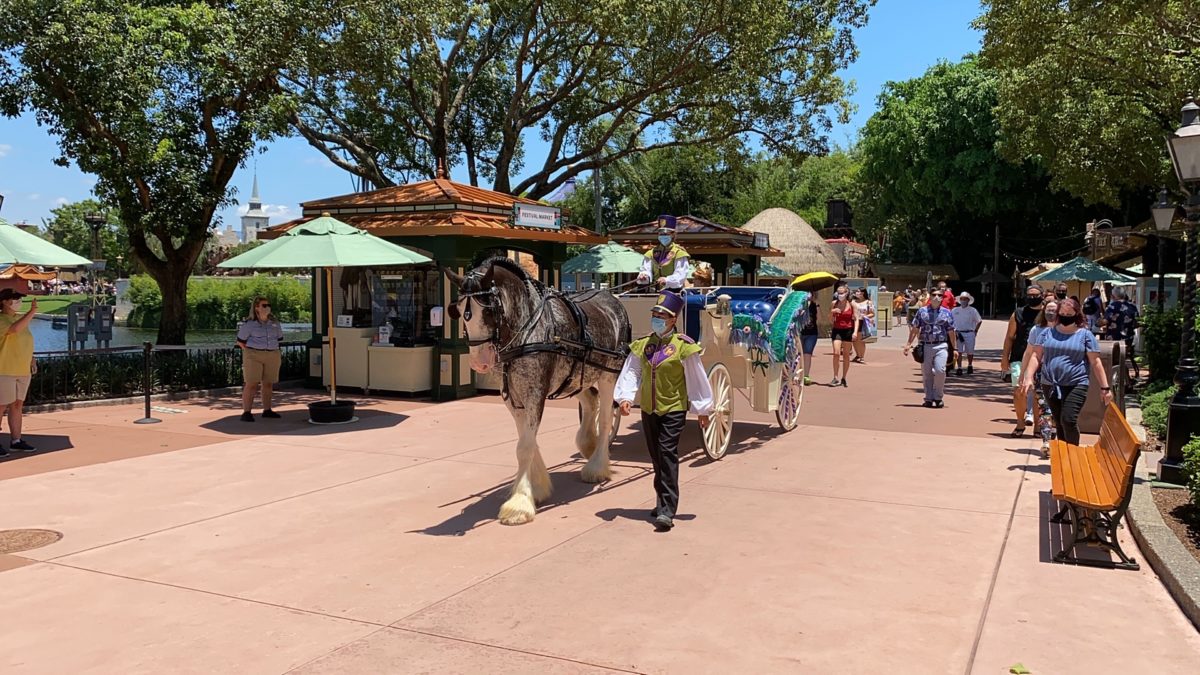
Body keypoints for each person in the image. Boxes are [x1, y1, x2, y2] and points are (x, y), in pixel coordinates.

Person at [615, 292, 713, 531]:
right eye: (655, 314)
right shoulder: (644, 345)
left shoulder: (684, 346)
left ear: (673, 319)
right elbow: (633, 371)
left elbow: (696, 378)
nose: (657, 318)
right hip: (649, 409)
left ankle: (668, 510)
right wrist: (626, 397)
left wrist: (702, 408)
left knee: (667, 453)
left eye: (662, 315)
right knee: (656, 456)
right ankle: (661, 502)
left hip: (673, 408)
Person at [1022, 299, 1113, 445]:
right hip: (1050, 383)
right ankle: (1064, 456)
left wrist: (1105, 388)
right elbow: (1036, 356)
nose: (1065, 316)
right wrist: (1028, 377)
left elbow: (1095, 362)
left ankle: (1073, 454)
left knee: (1068, 419)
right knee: (1058, 421)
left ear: (1076, 315)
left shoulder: (1085, 335)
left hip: (1077, 383)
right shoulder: (1047, 333)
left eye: (1069, 314)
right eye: (1062, 313)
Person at [1001, 284, 1044, 436]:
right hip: (1019, 357)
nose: (1033, 298)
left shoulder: (1048, 313)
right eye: (1029, 295)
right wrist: (1004, 358)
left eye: (1035, 295)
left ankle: (1038, 427)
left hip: (1041, 359)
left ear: (1042, 295)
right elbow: (1009, 337)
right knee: (1019, 391)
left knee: (1038, 394)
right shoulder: (1018, 313)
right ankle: (1020, 422)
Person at [0, 289, 37, 457]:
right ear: (5, 301)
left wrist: (32, 357)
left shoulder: (19, 319)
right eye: (15, 299)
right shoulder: (2, 320)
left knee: (17, 405)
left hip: (22, 370)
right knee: (0, 406)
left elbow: (24, 339)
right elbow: (13, 330)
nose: (19, 301)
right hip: (4, 369)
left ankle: (16, 440)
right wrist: (31, 312)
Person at [903, 295, 956, 408]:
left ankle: (938, 396)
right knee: (927, 373)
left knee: (940, 370)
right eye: (934, 295)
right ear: (930, 298)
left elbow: (951, 331)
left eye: (939, 296)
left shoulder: (947, 312)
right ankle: (928, 398)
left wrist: (955, 348)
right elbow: (915, 328)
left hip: (941, 345)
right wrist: (908, 344)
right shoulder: (922, 311)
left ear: (942, 299)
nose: (936, 297)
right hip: (926, 345)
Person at [236, 296, 284, 422]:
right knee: (251, 383)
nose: (267, 308)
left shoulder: (274, 323)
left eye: (268, 305)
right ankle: (246, 412)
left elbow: (279, 338)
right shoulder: (250, 324)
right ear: (256, 307)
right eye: (264, 305)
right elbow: (240, 341)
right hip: (254, 354)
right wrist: (251, 351)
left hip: (272, 354)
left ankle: (267, 410)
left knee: (268, 383)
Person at [1021, 299, 1058, 451]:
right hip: (1043, 373)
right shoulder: (1037, 330)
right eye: (1048, 309)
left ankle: (1055, 432)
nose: (1051, 312)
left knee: (1058, 409)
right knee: (1045, 407)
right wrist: (1024, 374)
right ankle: (1046, 440)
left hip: (1062, 374)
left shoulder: (1066, 330)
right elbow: (1029, 353)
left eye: (1054, 310)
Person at [637, 215, 689, 292]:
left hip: (672, 293)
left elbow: (680, 275)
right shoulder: (651, 253)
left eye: (666, 234)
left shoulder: (679, 253)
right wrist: (644, 276)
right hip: (653, 292)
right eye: (660, 233)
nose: (663, 236)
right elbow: (646, 270)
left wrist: (667, 280)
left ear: (673, 234)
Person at [1102, 287, 1140, 381]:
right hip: (1128, 339)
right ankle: (1125, 380)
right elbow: (1137, 323)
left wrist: (1097, 323)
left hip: (1113, 338)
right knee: (1122, 359)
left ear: (1113, 296)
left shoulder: (1112, 306)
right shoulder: (1132, 306)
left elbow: (1105, 321)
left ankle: (1121, 380)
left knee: (1115, 360)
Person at [951, 292, 982, 376]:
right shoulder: (955, 310)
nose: (963, 301)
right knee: (959, 351)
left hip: (969, 332)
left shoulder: (973, 310)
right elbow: (950, 321)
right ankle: (959, 367)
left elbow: (979, 321)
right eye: (962, 299)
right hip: (958, 333)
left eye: (965, 299)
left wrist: (976, 331)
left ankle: (970, 365)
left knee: (970, 351)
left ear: (968, 300)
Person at [829, 284, 854, 387]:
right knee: (836, 353)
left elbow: (856, 318)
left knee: (846, 355)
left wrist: (855, 332)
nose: (840, 295)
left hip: (848, 330)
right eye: (838, 293)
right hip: (837, 330)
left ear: (846, 293)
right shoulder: (834, 303)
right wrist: (832, 312)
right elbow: (830, 319)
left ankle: (844, 377)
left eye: (842, 293)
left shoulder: (852, 304)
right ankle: (835, 377)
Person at [798, 292, 819, 386]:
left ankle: (805, 375)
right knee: (799, 354)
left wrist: (817, 305)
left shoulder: (815, 305)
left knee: (807, 354)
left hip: (812, 333)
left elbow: (821, 319)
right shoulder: (798, 305)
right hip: (800, 333)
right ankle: (798, 374)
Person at [851, 287, 874, 364]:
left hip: (862, 322)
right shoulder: (853, 302)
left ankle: (862, 356)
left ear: (863, 293)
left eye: (858, 291)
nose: (857, 293)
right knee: (854, 339)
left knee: (861, 340)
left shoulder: (868, 302)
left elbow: (872, 313)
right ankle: (857, 355)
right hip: (854, 321)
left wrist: (865, 316)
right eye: (856, 292)